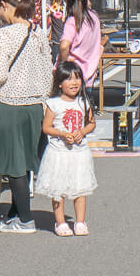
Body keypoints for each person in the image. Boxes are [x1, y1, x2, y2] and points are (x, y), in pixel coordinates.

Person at [0, 0, 55, 233]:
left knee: (13, 165)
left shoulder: (5, 34)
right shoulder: (39, 32)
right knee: (24, 163)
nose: (0, 15)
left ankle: (25, 219)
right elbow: (49, 74)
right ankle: (15, 215)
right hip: (36, 105)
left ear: (5, 5)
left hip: (10, 105)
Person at [34, 60, 99, 237]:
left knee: (81, 187)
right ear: (60, 83)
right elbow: (46, 127)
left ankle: (80, 221)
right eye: (69, 79)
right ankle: (60, 222)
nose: (74, 83)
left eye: (77, 78)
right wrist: (61, 134)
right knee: (58, 189)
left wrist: (82, 131)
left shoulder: (83, 101)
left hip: (79, 152)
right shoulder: (53, 103)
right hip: (58, 153)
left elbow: (91, 123)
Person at [58, 0, 102, 88]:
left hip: (71, 77)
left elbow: (64, 46)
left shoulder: (72, 21)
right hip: (89, 76)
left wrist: (63, 64)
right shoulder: (94, 17)